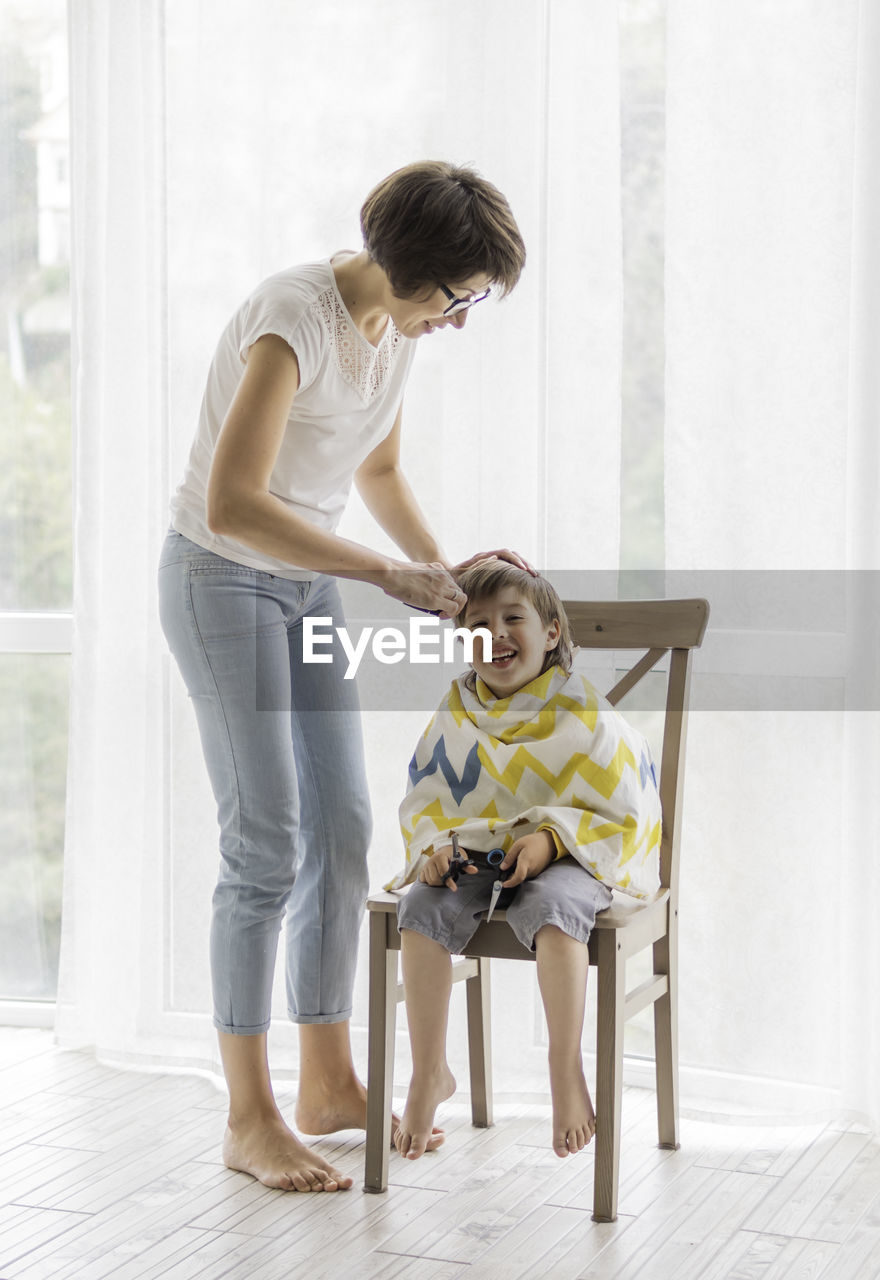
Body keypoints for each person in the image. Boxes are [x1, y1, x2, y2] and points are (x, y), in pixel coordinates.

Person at [157, 161, 529, 1193]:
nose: (459, 318)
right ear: (413, 270)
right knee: (265, 839)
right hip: (221, 579)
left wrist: (446, 576)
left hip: (306, 586)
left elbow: (377, 472)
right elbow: (233, 502)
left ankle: (327, 1080)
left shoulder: (390, 337)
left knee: (343, 827)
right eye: (457, 296)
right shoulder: (294, 317)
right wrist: (382, 572)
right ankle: (249, 1113)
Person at [388, 561, 662, 1162]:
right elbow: (429, 792)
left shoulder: (581, 708)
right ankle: (428, 1070)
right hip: (479, 848)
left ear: (553, 632)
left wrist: (551, 839)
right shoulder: (459, 707)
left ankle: (564, 1067)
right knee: (420, 906)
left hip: (571, 857)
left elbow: (619, 803)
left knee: (552, 905)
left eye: (514, 618)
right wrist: (436, 849)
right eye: (478, 624)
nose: (496, 633)